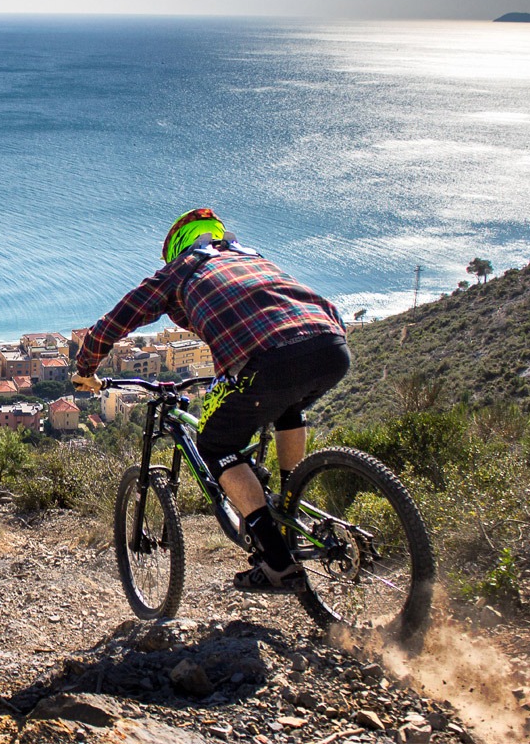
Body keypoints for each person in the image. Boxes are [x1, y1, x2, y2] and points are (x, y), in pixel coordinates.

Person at [72, 208, 349, 593]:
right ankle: (290, 501)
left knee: (216, 445)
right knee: (288, 406)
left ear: (177, 247)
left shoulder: (180, 270)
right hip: (331, 346)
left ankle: (277, 561)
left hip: (268, 359)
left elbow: (117, 320)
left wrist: (86, 368)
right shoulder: (252, 257)